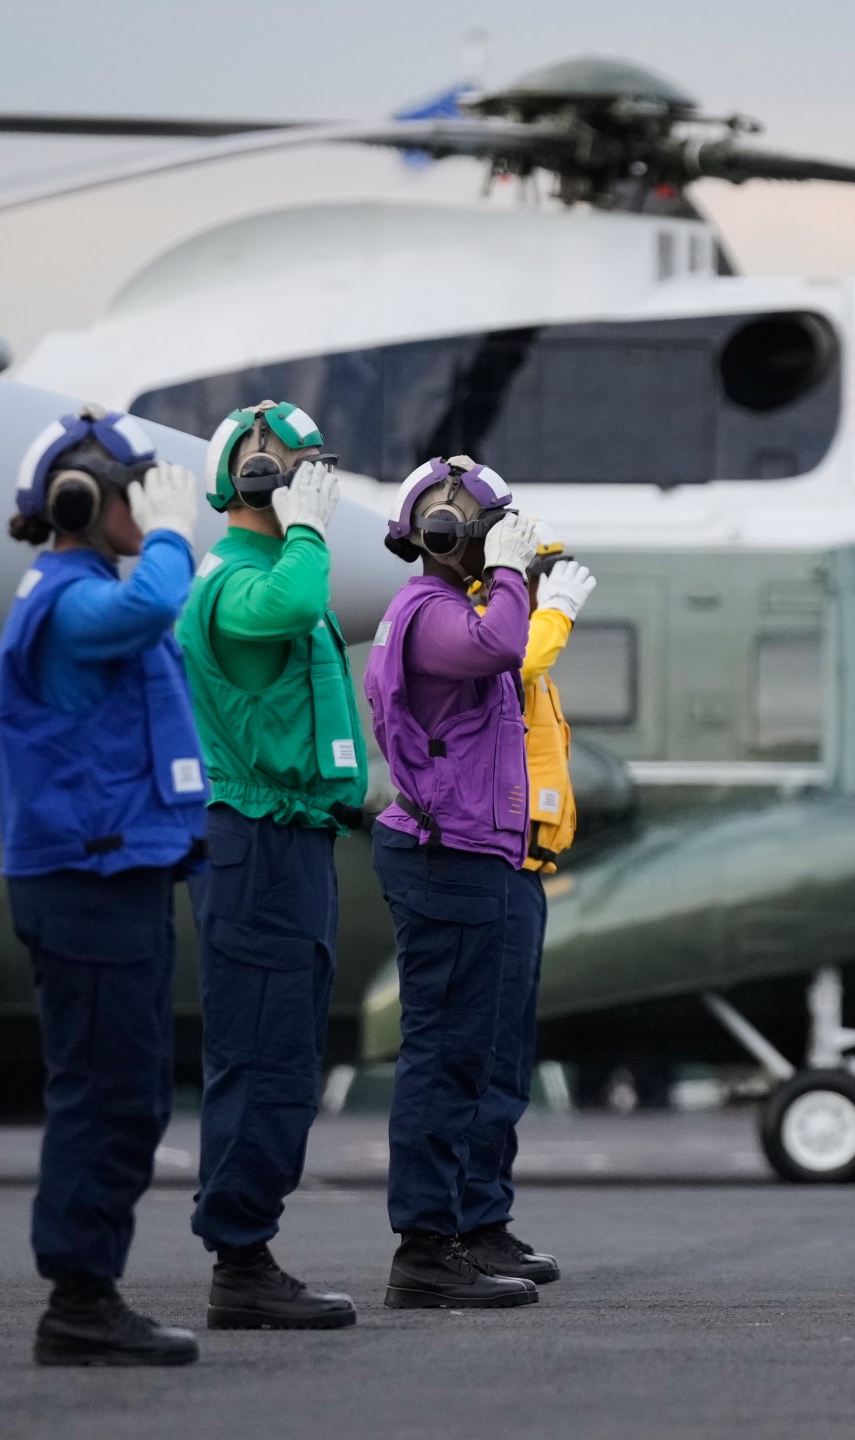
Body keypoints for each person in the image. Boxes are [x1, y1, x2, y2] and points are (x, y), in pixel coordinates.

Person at [0, 406, 207, 1365]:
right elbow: (151, 608)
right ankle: (78, 1302)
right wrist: (170, 537)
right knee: (102, 1093)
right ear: (82, 499)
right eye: (140, 492)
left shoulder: (89, 592)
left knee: (130, 1091)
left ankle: (89, 1292)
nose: (153, 508)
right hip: (86, 879)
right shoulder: (70, 600)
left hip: (119, 872)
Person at [179, 401, 365, 1330]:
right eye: (300, 467)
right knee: (261, 1053)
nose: (316, 482)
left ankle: (249, 1250)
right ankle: (241, 1261)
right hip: (254, 841)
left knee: (285, 1051)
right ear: (255, 479)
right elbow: (291, 606)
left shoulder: (270, 568)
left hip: (292, 835)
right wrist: (308, 531)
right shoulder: (238, 580)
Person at [363, 455, 543, 1310]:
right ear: (449, 534)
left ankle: (455, 1235)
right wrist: (507, 572)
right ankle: (425, 1249)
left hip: (471, 854)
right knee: (442, 1058)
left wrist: (515, 578)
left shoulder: (444, 610)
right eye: (491, 530)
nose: (502, 546)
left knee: (469, 1054)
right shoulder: (432, 615)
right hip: (447, 858)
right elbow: (502, 643)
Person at [456, 519, 597, 1284]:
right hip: (496, 864)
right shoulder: (491, 638)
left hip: (524, 868)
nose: (549, 585)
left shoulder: (523, 651)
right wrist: (555, 615)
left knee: (505, 1062)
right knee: (483, 1060)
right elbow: (516, 655)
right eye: (539, 573)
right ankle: (468, 1224)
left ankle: (487, 1218)